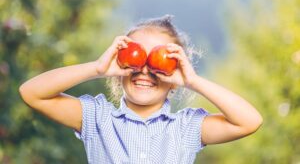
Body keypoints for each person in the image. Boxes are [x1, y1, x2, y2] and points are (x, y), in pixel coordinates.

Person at [19, 15, 263, 164]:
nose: (145, 71)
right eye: (136, 60)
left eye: (158, 62)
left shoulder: (185, 128)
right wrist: (97, 68)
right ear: (120, 69)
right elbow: (32, 92)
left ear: (174, 79)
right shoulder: (98, 119)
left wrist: (193, 81)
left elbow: (249, 121)